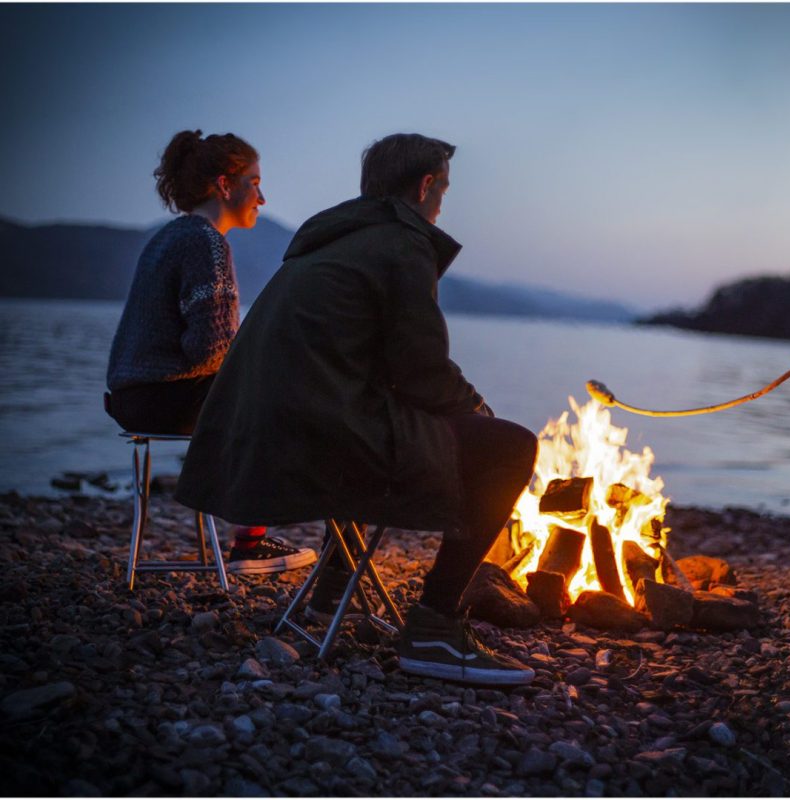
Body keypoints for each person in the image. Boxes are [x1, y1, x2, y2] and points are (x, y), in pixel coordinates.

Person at [175, 133, 538, 686]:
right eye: (442, 187)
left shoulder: (332, 239)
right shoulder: (401, 243)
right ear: (424, 186)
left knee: (382, 417)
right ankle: (437, 626)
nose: (442, 201)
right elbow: (421, 369)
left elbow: (377, 367)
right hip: (317, 443)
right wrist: (477, 409)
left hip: (255, 441)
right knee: (510, 448)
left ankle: (328, 593)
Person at [105, 129, 316, 575]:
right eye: (255, 182)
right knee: (279, 399)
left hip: (134, 397)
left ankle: (247, 528)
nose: (262, 196)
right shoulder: (207, 243)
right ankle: (251, 542)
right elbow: (208, 351)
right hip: (165, 396)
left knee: (264, 390)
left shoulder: (170, 236)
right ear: (225, 184)